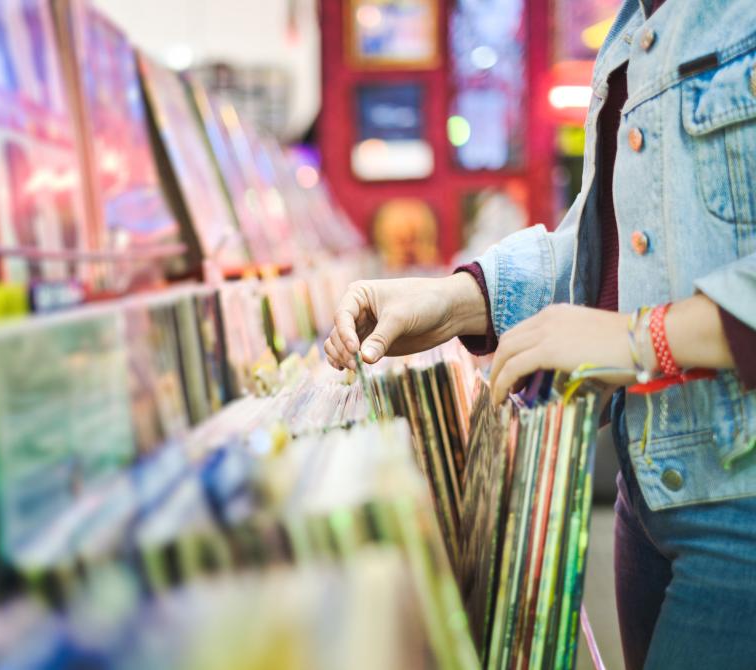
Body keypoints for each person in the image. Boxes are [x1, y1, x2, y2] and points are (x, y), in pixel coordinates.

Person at [324, 1, 756, 668]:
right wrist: (456, 299)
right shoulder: (631, 28)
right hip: (649, 492)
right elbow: (611, 240)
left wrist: (643, 339)